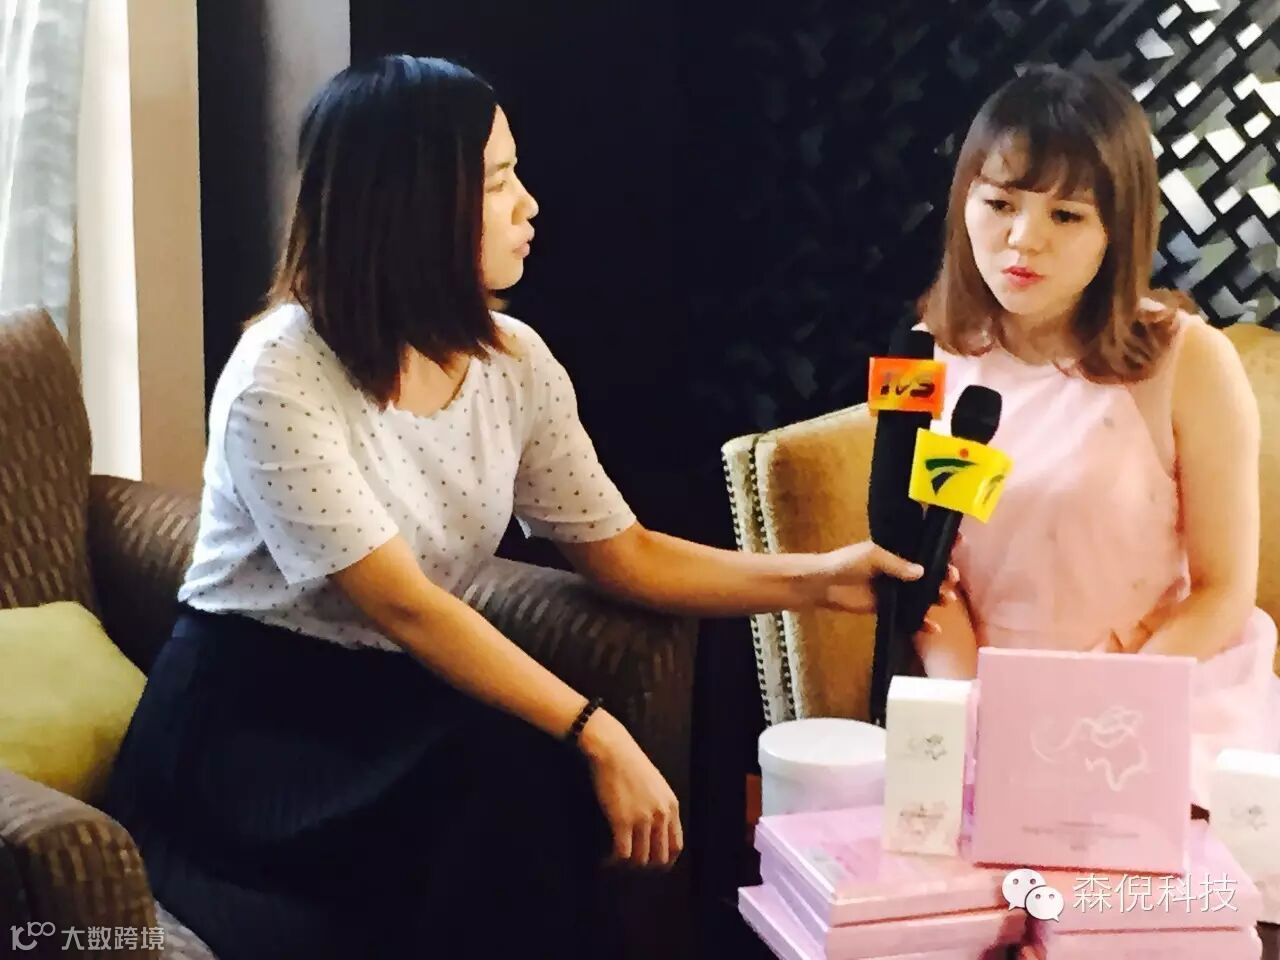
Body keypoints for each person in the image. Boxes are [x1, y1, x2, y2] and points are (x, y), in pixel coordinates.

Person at [102, 55, 928, 960]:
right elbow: (406, 606)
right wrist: (596, 727)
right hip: (252, 723)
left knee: (525, 794)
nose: (529, 205)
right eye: (498, 182)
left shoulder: (514, 362)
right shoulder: (280, 376)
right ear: (413, 206)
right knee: (504, 802)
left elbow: (626, 553)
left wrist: (819, 581)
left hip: (392, 701)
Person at [911, 63, 1279, 807]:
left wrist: (1101, 715)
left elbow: (1222, 590)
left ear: (1118, 228)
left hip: (1166, 692)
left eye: (1067, 216)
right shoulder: (931, 358)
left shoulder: (1186, 361)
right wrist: (976, 716)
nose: (1023, 240)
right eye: (999, 203)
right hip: (991, 701)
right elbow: (930, 578)